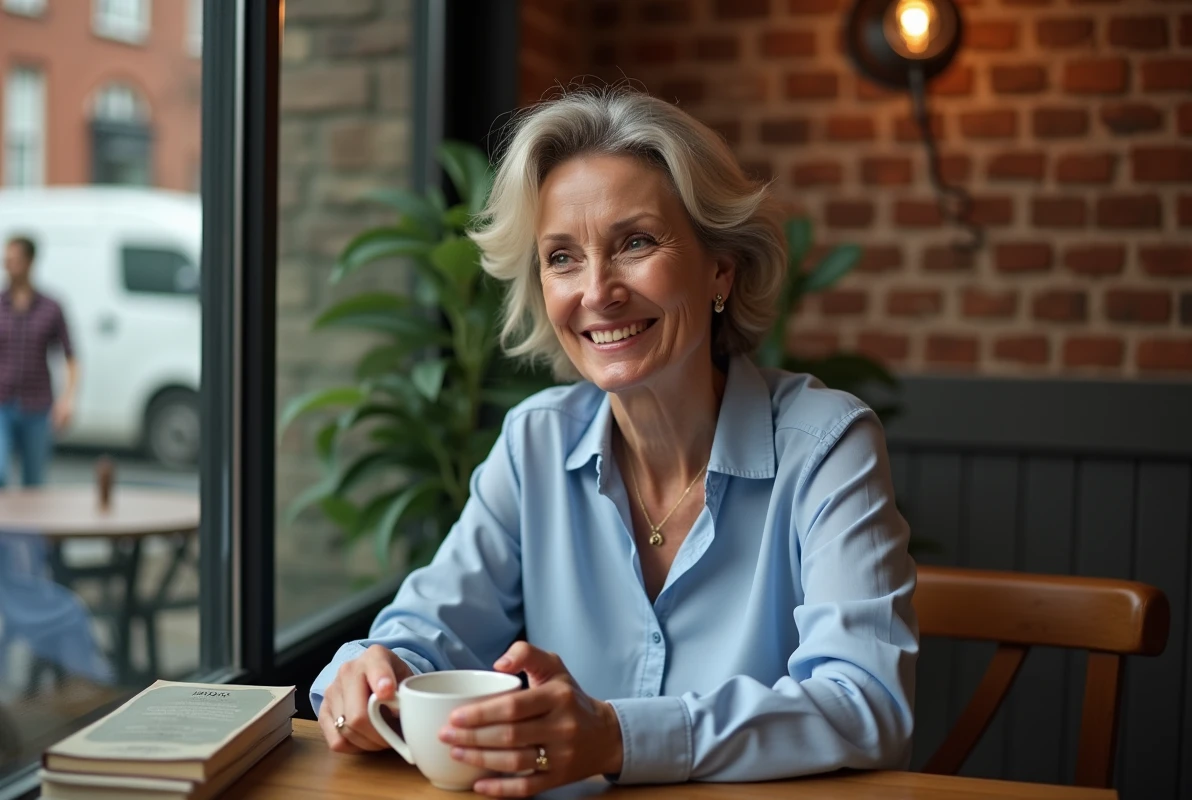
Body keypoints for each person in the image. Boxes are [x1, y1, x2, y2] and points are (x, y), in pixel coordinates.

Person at [311, 88, 917, 797]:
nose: (597, 292)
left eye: (636, 243)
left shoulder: (828, 446)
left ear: (721, 268)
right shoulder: (535, 443)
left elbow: (866, 702)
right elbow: (423, 631)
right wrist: (373, 674)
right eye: (562, 257)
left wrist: (616, 735)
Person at [0, 235, 78, 488]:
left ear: (30, 262)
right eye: (6, 261)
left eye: (14, 260)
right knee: (0, 471)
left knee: (33, 483)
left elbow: (71, 356)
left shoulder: (51, 307)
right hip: (2, 402)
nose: (8, 266)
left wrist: (67, 400)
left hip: (37, 405)